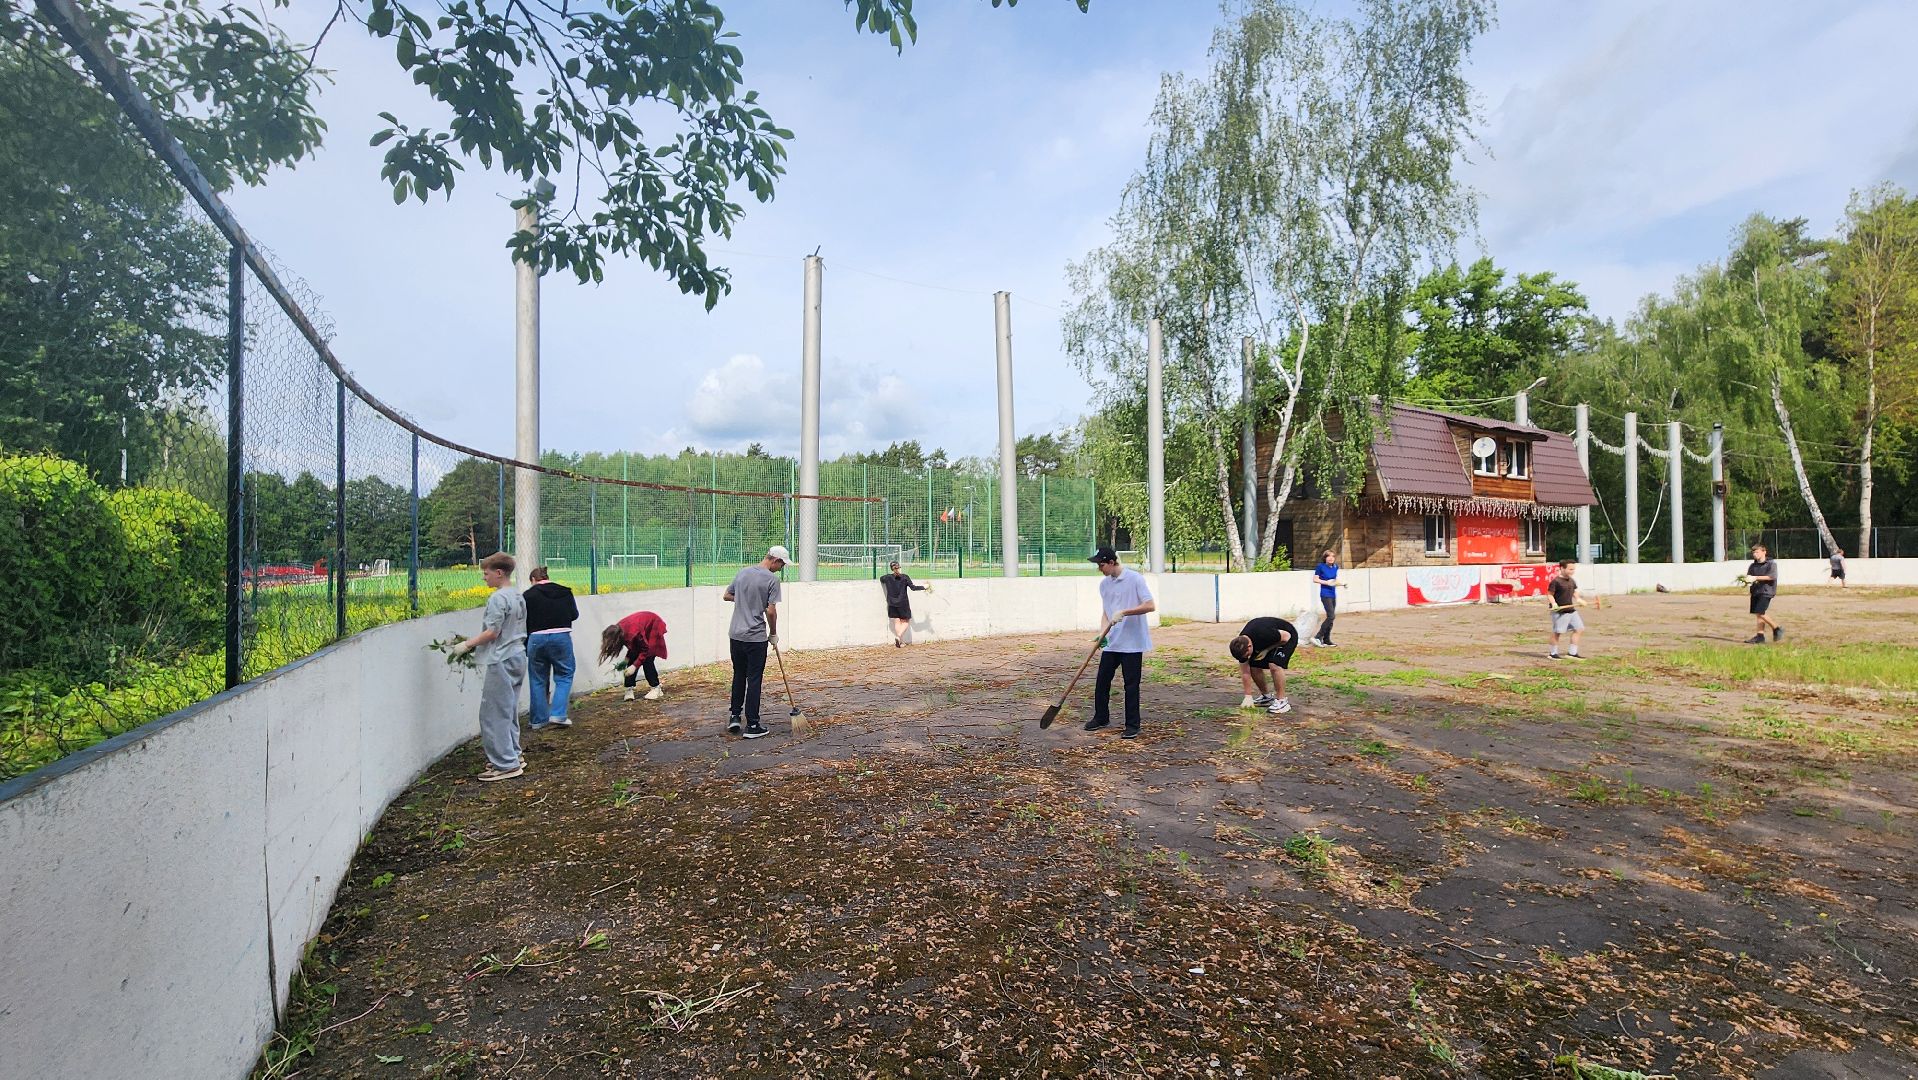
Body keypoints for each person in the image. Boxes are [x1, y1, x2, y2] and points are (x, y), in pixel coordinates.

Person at [450, 552, 528, 782]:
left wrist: (466, 644)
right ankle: (513, 754)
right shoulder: (517, 595)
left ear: (499, 572)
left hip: (502, 658)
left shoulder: (498, 598)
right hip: (518, 654)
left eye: (486, 573)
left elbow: (492, 632)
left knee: (493, 713)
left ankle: (505, 764)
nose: (484, 578)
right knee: (509, 708)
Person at [1086, 547, 1156, 739]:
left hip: (1132, 643)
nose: (1099, 569)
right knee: (1102, 681)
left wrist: (1125, 612)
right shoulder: (1104, 585)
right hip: (1113, 642)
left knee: (1131, 685)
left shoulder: (1135, 579)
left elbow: (1150, 605)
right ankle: (1101, 717)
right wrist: (1102, 633)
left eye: (1101, 565)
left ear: (1111, 562)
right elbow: (1106, 612)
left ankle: (1132, 725)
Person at [722, 545, 786, 739]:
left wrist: (744, 600)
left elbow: (727, 595)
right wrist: (773, 633)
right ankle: (752, 725)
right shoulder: (772, 580)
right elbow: (771, 611)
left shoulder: (743, 573)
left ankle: (734, 716)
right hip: (755, 637)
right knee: (754, 678)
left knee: (738, 674)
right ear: (775, 560)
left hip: (736, 635)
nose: (781, 568)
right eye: (782, 564)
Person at [523, 566, 579, 730]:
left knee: (537, 679)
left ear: (533, 580)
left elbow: (522, 619)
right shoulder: (565, 591)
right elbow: (574, 615)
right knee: (564, 675)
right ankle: (558, 714)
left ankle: (538, 720)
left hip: (536, 639)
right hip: (561, 637)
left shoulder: (528, 595)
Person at [1229, 616, 1298, 714]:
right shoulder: (1241, 645)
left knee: (1274, 664)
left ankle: (1282, 701)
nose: (1247, 657)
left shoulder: (1264, 634)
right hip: (1267, 640)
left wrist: (1267, 650)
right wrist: (1248, 696)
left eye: (1247, 655)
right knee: (1253, 665)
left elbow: (1286, 636)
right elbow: (1245, 672)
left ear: (1249, 647)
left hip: (1287, 636)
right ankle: (1266, 697)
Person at [600, 610, 669, 701]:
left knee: (648, 659)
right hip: (641, 627)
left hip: (653, 625)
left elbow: (645, 650)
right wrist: (626, 661)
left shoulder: (633, 632)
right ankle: (629, 688)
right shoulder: (618, 631)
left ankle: (656, 688)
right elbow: (633, 648)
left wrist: (635, 666)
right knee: (632, 660)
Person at [879, 560, 929, 646]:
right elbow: (913, 588)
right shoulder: (905, 577)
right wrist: (924, 587)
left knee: (897, 621)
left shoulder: (887, 577)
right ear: (899, 568)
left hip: (891, 603)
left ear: (891, 568)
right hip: (903, 603)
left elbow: (881, 579)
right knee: (906, 621)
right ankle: (898, 637)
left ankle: (901, 642)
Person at [1546, 559, 1588, 660]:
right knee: (1557, 632)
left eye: (1573, 569)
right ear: (1562, 568)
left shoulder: (1571, 580)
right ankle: (1553, 654)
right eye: (1570, 569)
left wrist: (1578, 599)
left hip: (1571, 610)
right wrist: (1554, 603)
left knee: (1579, 629)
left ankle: (1572, 653)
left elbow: (1574, 591)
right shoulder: (1556, 581)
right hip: (1560, 611)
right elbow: (1549, 594)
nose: (1572, 571)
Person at [1744, 543, 1782, 643]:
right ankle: (1760, 636)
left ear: (1764, 552)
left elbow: (1772, 577)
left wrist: (1756, 578)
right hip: (1755, 591)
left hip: (1766, 591)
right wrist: (1747, 580)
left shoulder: (1771, 564)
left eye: (1757, 552)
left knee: (1760, 612)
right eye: (1753, 552)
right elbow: (1749, 576)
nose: (1755, 554)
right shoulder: (1753, 565)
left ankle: (1776, 628)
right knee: (1758, 614)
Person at [1310, 549, 1346, 647]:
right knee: (1331, 616)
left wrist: (1341, 584)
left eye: (1333, 556)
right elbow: (1315, 579)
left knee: (1331, 618)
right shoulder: (1320, 567)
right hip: (1325, 594)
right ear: (1325, 558)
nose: (1331, 558)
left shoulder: (1335, 567)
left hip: (1333, 594)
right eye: (1328, 556)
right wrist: (1326, 582)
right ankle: (1317, 637)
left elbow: (1334, 579)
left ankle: (1326, 640)